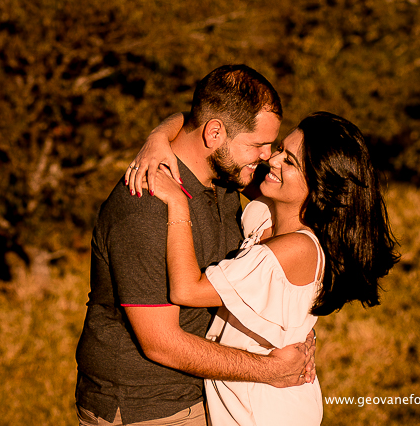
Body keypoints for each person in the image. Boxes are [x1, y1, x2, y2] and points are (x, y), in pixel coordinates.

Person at [75, 65, 316, 426]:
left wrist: (159, 134)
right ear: (215, 133)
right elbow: (160, 342)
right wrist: (270, 370)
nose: (267, 156)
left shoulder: (226, 176)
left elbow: (190, 118)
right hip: (151, 408)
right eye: (257, 144)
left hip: (204, 395)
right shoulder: (146, 203)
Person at [131, 111, 400, 425]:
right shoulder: (271, 211)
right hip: (246, 400)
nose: (273, 160)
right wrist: (157, 138)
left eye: (290, 162)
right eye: (281, 149)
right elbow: (201, 118)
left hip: (266, 410)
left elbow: (186, 290)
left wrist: (177, 202)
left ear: (321, 189)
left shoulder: (295, 248)